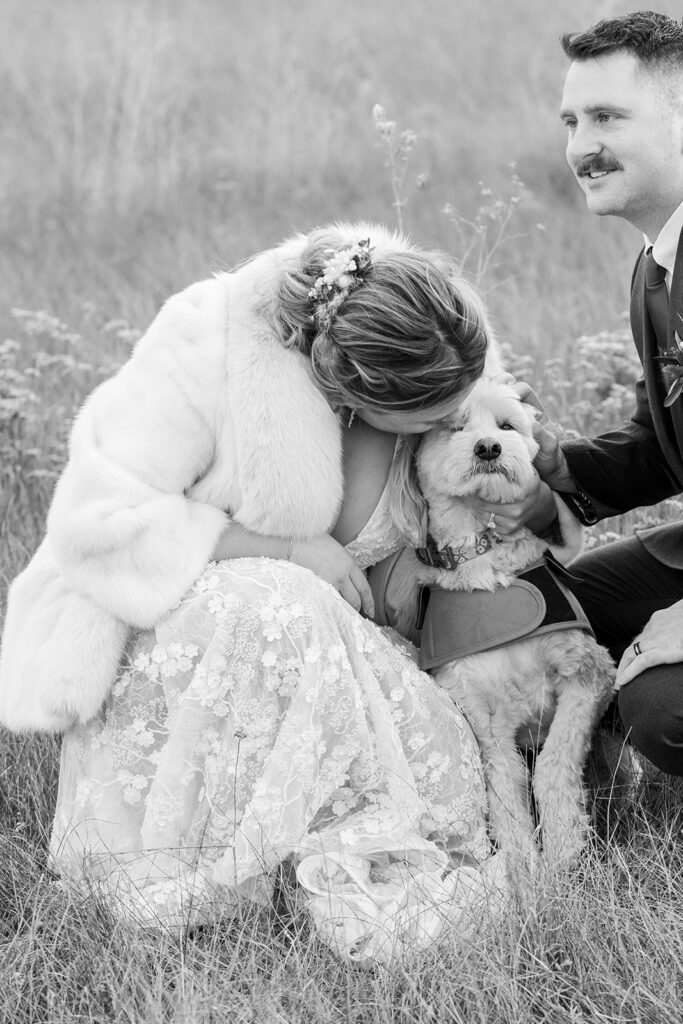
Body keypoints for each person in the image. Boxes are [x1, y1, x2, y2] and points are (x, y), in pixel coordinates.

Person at [0, 223, 507, 964]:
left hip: (351, 646)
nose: (451, 424)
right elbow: (96, 525)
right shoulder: (203, 345)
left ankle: (306, 838)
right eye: (433, 419)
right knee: (278, 597)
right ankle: (219, 852)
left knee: (420, 767)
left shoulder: (437, 336)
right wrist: (289, 548)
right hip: (185, 629)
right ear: (354, 390)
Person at [483, 11, 683, 779]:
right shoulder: (657, 263)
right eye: (571, 120)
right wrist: (546, 465)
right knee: (541, 613)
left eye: (606, 117)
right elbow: (656, 446)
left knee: (664, 706)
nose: (579, 147)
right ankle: (592, 792)